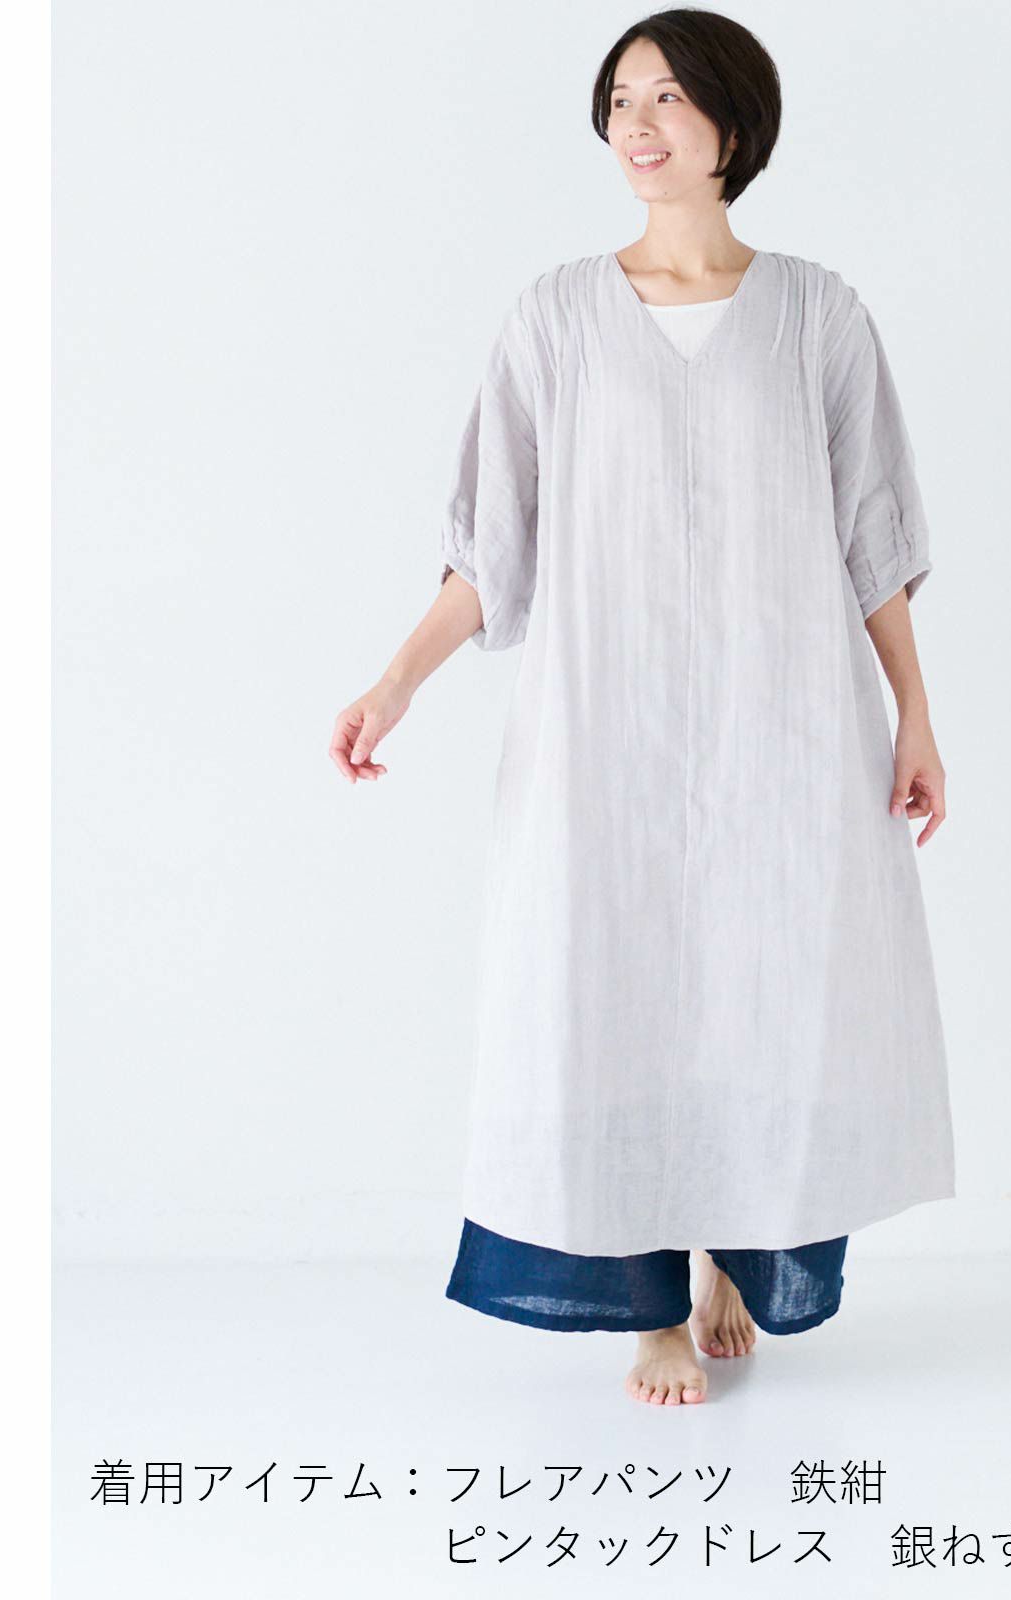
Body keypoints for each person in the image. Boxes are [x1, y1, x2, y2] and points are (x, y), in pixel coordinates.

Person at [330, 8, 956, 1407]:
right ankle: (650, 1303)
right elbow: (493, 543)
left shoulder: (817, 316)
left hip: (784, 725)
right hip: (603, 731)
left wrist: (914, 712)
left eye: (669, 97)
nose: (638, 124)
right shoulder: (557, 316)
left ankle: (736, 1250)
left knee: (763, 987)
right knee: (609, 990)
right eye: (621, 99)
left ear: (733, 123)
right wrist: (394, 683)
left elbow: (873, 537)